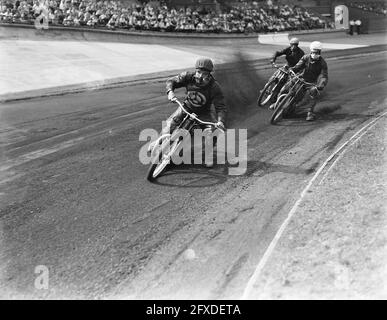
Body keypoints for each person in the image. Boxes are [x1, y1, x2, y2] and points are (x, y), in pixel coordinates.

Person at [161, 57, 227, 167]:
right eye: (198, 72)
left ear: (209, 74)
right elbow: (171, 81)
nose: (200, 76)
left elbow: (221, 107)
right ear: (195, 70)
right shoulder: (187, 76)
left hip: (204, 113)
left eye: (204, 74)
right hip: (187, 107)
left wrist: (221, 121)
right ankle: (158, 144)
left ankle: (208, 155)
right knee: (170, 124)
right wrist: (170, 91)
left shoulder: (215, 87)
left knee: (211, 132)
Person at [278, 41, 328, 121]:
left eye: (317, 52)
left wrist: (320, 85)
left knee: (314, 94)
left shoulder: (322, 63)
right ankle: (277, 102)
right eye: (313, 52)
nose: (315, 54)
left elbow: (323, 76)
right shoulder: (305, 57)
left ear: (320, 52)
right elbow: (298, 65)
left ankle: (310, 113)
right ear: (311, 51)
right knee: (285, 87)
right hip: (301, 77)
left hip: (311, 83)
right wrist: (292, 69)